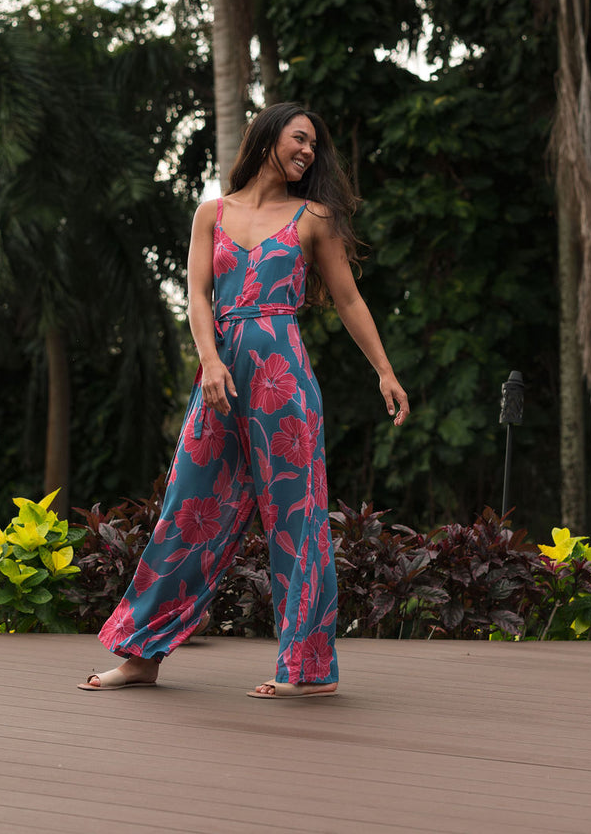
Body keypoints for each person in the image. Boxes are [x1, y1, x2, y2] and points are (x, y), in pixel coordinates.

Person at [78, 103, 409, 698]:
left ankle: (307, 671)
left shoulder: (314, 217)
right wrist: (208, 359)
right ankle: (142, 654)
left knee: (296, 518)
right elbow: (199, 297)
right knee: (188, 507)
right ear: (267, 136)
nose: (308, 151)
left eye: (314, 145)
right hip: (220, 378)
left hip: (284, 383)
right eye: (298, 138)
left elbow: (349, 300)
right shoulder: (212, 213)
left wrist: (385, 372)